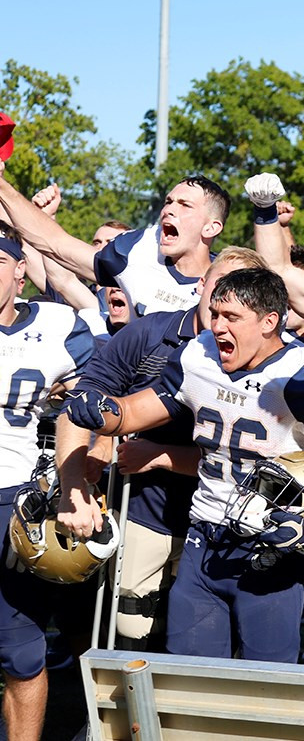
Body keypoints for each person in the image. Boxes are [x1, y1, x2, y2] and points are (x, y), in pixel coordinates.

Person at [63, 267, 304, 663]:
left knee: (263, 690)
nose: (217, 326)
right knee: (189, 680)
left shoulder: (301, 372)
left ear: (270, 322)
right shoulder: (198, 356)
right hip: (203, 542)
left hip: (268, 548)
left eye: (232, 318)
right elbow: (132, 412)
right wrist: (99, 410)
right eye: (215, 314)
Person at [59, 247, 267, 652]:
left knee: (217, 639)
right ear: (202, 282)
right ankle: (114, 713)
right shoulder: (149, 334)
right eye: (220, 286)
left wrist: (162, 455)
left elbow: (260, 461)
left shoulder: (273, 360)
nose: (225, 304)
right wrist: (76, 482)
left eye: (240, 296)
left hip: (228, 521)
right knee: (129, 627)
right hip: (145, 509)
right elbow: (83, 403)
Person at [0, 235, 94, 741]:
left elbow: (101, 387)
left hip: (12, 497)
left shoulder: (58, 326)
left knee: (20, 649)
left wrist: (74, 392)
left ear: (21, 273)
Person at [0, 161, 226, 316]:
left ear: (211, 228)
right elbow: (56, 244)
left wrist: (263, 215)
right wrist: (2, 187)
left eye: (184, 205)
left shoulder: (228, 280)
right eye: (169, 201)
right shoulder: (138, 249)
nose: (168, 210)